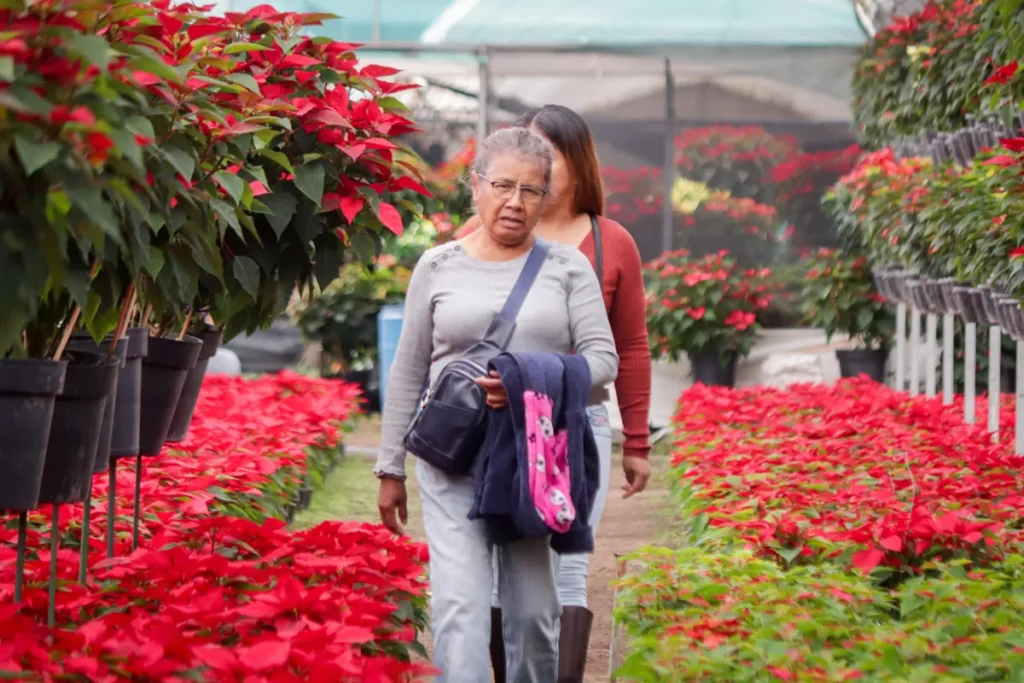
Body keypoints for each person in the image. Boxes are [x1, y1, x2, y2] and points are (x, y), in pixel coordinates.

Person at [374, 126, 619, 683]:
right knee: (460, 607)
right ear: (476, 185)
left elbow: (603, 362)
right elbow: (409, 369)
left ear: (546, 197)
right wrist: (389, 466)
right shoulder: (437, 267)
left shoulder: (567, 268)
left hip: (532, 463)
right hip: (450, 457)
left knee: (534, 614)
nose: (515, 202)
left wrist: (528, 383)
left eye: (532, 190)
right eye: (503, 185)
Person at [460, 105, 653, 682]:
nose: (534, 166)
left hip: (577, 424)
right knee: (501, 564)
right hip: (497, 425)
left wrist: (637, 439)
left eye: (549, 154)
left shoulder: (610, 241)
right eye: (525, 152)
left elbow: (632, 346)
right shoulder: (483, 233)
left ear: (576, 162)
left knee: (569, 563)